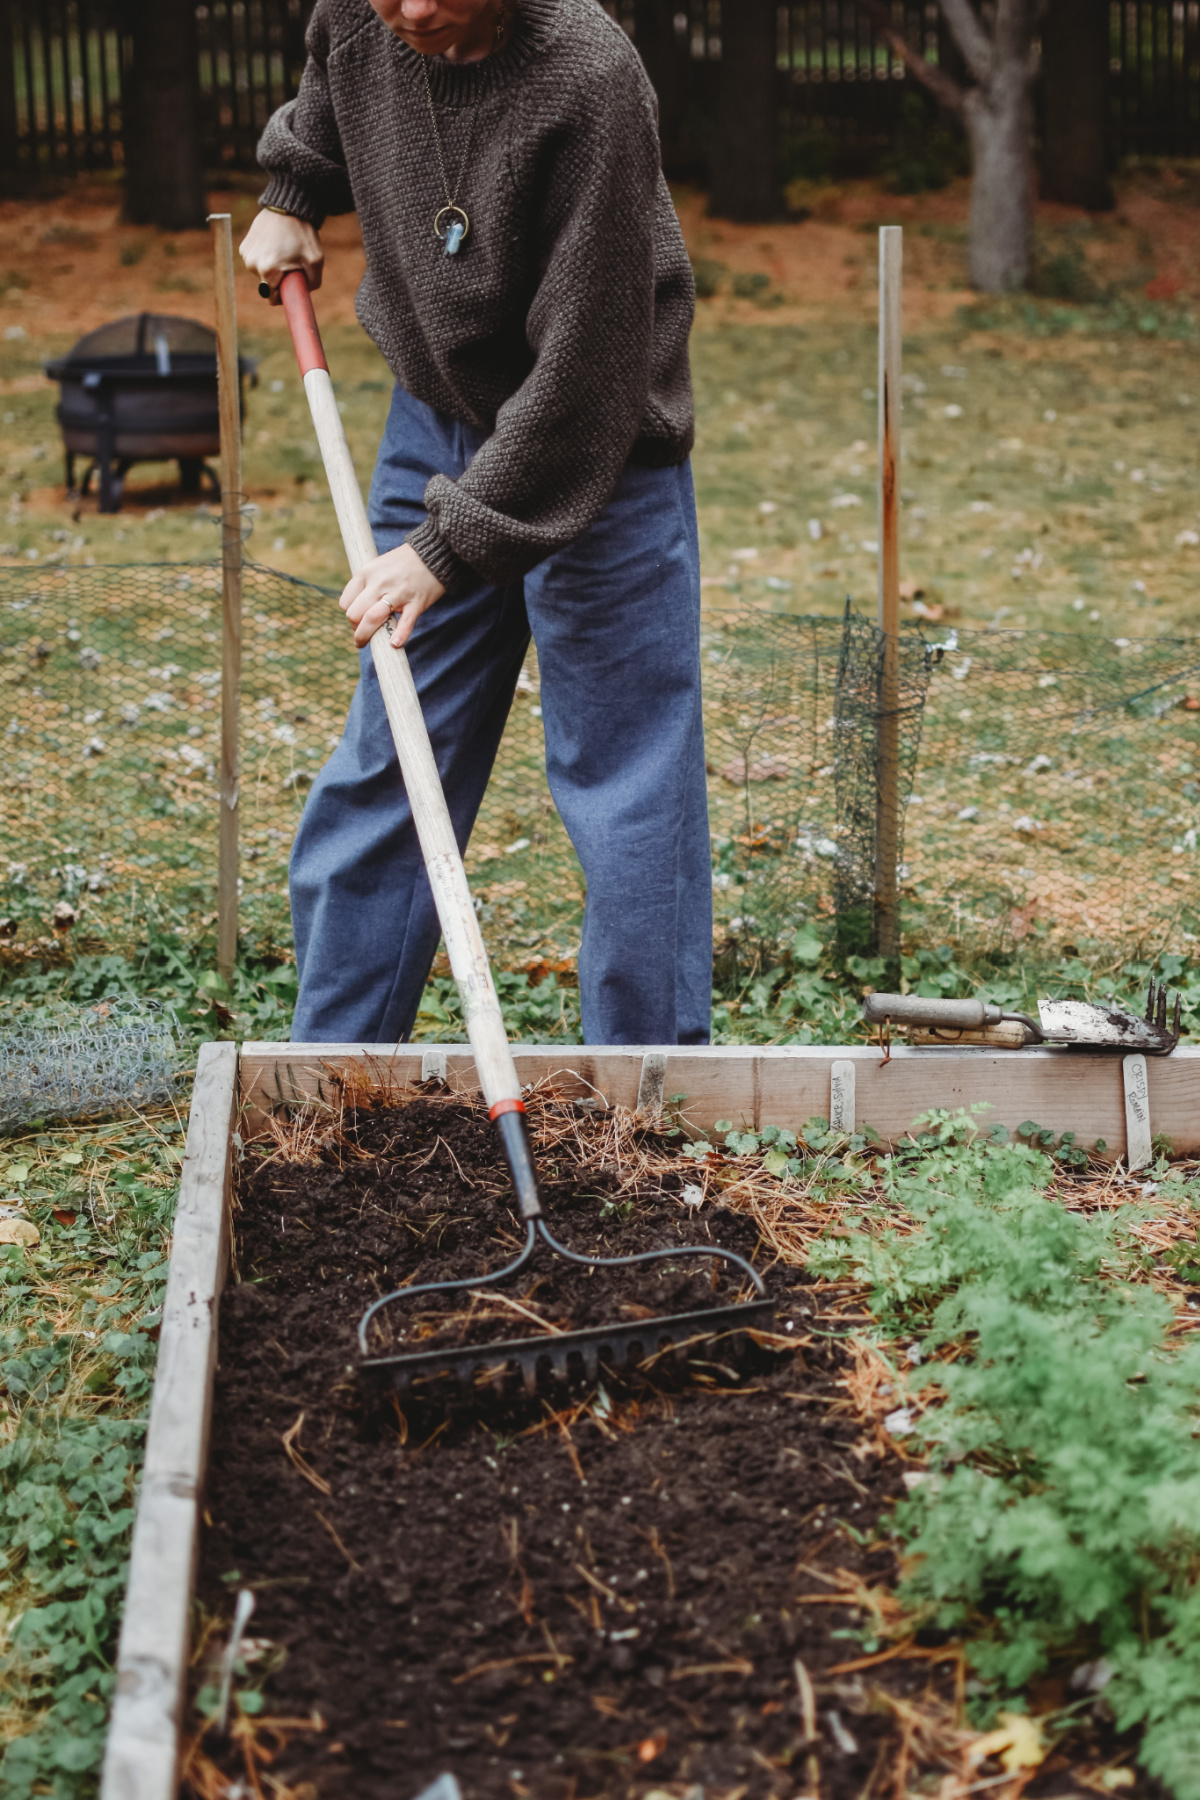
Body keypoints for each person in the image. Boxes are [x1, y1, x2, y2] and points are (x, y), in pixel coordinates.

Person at [239, 0, 711, 1047]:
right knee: (393, 760)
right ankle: (335, 1077)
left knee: (628, 786)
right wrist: (296, 185)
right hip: (437, 423)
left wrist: (448, 547)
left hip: (599, 450)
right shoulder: (364, 22)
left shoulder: (589, 79)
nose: (408, 8)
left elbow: (590, 366)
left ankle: (652, 1101)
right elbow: (332, 88)